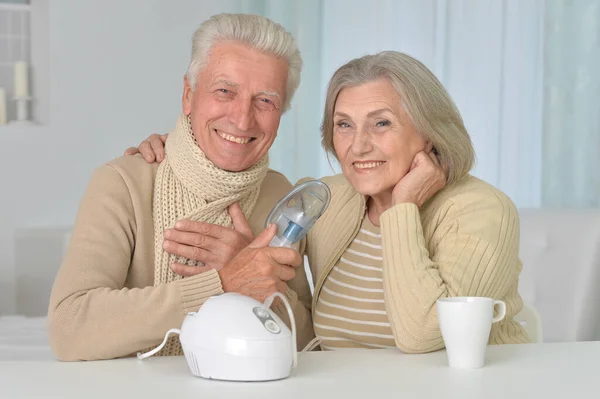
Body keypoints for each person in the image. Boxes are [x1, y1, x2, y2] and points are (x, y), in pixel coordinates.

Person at [131, 51, 530, 352]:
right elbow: (257, 263)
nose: (358, 145)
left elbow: (423, 334)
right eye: (344, 125)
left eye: (381, 123)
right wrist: (180, 150)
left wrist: (403, 209)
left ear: (428, 132)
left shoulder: (482, 211)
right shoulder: (326, 198)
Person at [48, 13, 315, 361]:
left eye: (265, 100)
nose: (242, 118)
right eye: (225, 91)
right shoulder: (124, 182)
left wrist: (258, 281)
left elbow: (308, 341)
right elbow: (69, 328)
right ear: (189, 95)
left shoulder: (283, 195)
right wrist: (223, 283)